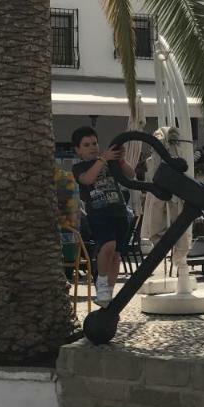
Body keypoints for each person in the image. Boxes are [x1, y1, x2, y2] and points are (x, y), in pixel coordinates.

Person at [71, 126, 134, 304]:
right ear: (78, 150)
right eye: (86, 145)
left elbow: (131, 175)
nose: (92, 147)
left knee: (116, 253)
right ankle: (102, 282)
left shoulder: (109, 162)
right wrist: (102, 159)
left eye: (95, 143)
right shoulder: (79, 167)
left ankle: (109, 292)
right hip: (99, 213)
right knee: (108, 245)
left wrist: (121, 160)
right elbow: (87, 179)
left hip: (119, 211)